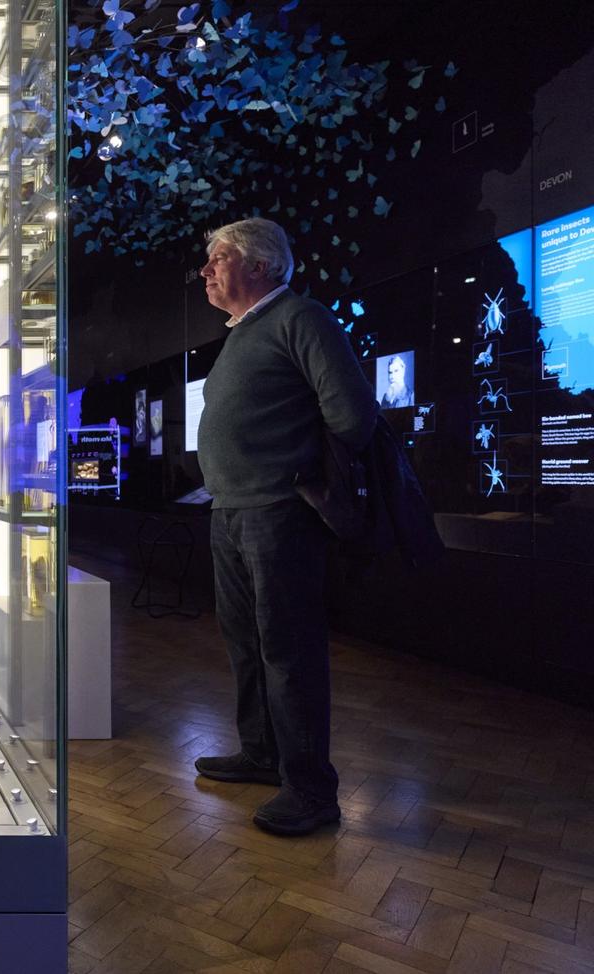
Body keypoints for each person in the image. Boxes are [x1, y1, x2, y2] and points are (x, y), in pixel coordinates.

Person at [194, 218, 378, 836]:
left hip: (278, 513)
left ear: (260, 265)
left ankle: (311, 790)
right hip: (231, 511)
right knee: (246, 644)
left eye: (219, 257)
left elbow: (352, 415)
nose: (207, 269)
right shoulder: (243, 334)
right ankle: (262, 754)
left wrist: (293, 471)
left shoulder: (302, 318)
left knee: (289, 650)